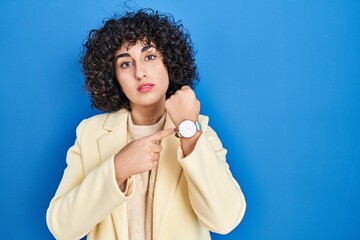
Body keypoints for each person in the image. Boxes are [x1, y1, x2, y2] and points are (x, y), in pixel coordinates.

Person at [46, 8, 246, 240]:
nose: (140, 73)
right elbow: (61, 228)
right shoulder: (90, 133)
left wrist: (188, 130)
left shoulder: (200, 130)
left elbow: (224, 221)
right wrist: (117, 168)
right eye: (125, 64)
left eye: (150, 57)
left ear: (168, 63)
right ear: (113, 77)